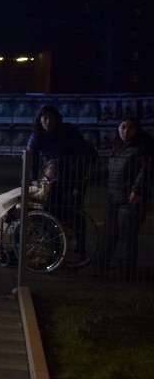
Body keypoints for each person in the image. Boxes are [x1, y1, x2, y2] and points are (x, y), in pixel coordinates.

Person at [26, 105, 97, 252]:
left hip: (74, 177)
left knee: (74, 212)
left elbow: (85, 150)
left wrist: (83, 171)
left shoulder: (69, 131)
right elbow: (31, 157)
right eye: (44, 118)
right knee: (51, 210)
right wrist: (33, 178)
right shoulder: (36, 134)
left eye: (51, 118)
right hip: (53, 178)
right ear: (39, 119)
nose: (48, 122)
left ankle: (79, 247)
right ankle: (55, 247)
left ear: (58, 119)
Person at [94, 117, 154, 276]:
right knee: (110, 232)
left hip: (130, 199)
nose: (126, 132)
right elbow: (109, 169)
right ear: (118, 128)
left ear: (137, 130)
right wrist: (89, 176)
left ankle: (126, 269)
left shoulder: (142, 148)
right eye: (123, 127)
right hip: (115, 198)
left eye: (131, 128)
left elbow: (146, 170)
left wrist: (137, 190)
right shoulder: (119, 147)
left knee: (127, 235)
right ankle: (100, 264)